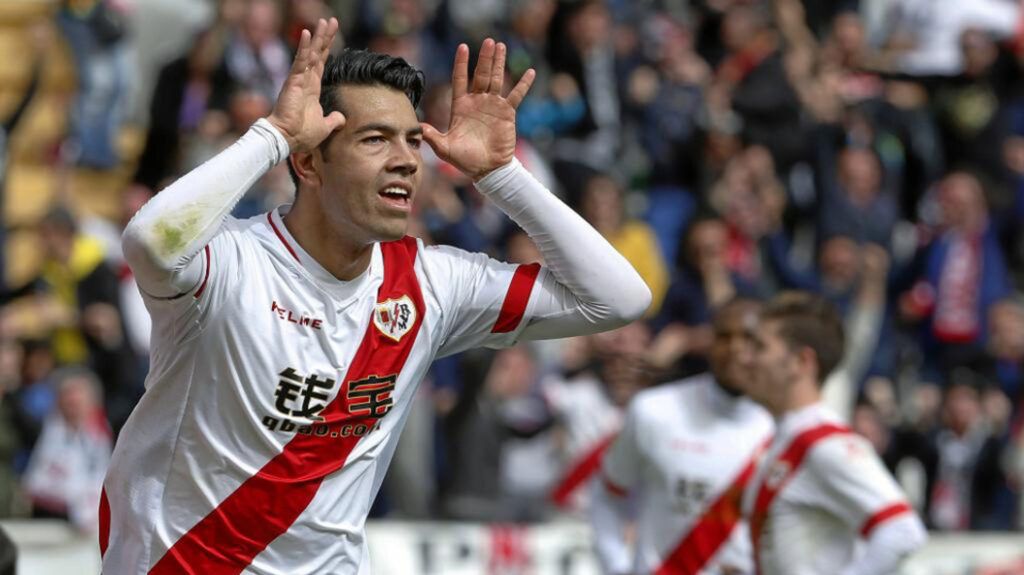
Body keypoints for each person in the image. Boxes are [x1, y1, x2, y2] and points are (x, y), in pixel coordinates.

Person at [103, 18, 651, 575]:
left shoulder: (432, 284)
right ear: (310, 160)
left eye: (413, 140)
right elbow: (150, 240)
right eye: (375, 139)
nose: (407, 160)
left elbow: (617, 299)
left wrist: (500, 175)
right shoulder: (229, 262)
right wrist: (272, 135)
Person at [742, 292, 927, 575]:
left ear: (801, 362)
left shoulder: (823, 444)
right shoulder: (784, 440)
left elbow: (902, 531)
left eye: (760, 348)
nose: (746, 359)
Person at [589, 298, 773, 575]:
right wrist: (616, 565)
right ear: (708, 341)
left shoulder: (783, 427)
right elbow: (605, 496)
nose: (735, 348)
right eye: (724, 336)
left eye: (749, 337)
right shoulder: (654, 410)